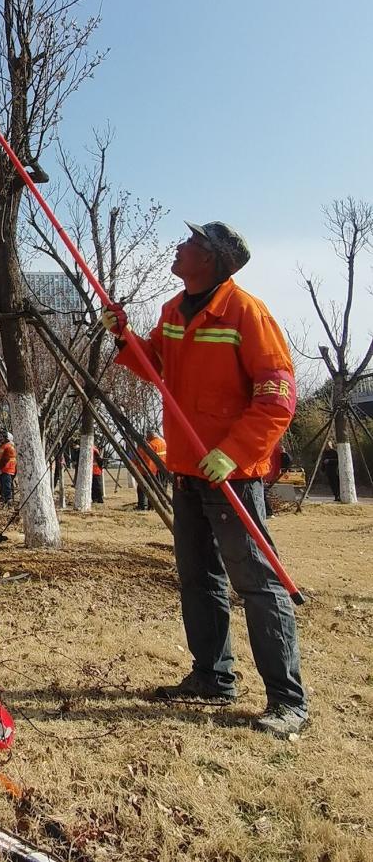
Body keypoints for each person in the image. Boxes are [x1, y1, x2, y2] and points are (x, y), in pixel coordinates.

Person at [101, 221, 307, 738]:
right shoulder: (174, 310)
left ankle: (288, 700)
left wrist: (233, 453)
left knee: (257, 584)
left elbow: (277, 397)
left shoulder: (247, 314)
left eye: (190, 243)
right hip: (186, 470)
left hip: (231, 476)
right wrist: (123, 335)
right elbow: (155, 365)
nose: (178, 247)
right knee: (198, 577)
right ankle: (213, 676)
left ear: (211, 259)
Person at [136, 428, 168, 511]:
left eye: (147, 435)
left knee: (144, 488)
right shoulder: (163, 442)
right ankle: (161, 505)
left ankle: (143, 506)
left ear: (150, 435)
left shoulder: (150, 445)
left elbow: (142, 458)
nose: (146, 437)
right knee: (161, 487)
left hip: (152, 470)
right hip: (164, 469)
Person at [0, 433, 16, 504]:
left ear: (7, 439)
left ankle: (8, 499)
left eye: (4, 437)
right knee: (9, 484)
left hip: (5, 468)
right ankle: (9, 498)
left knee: (6, 484)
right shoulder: (13, 446)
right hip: (12, 468)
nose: (2, 439)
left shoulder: (5, 446)